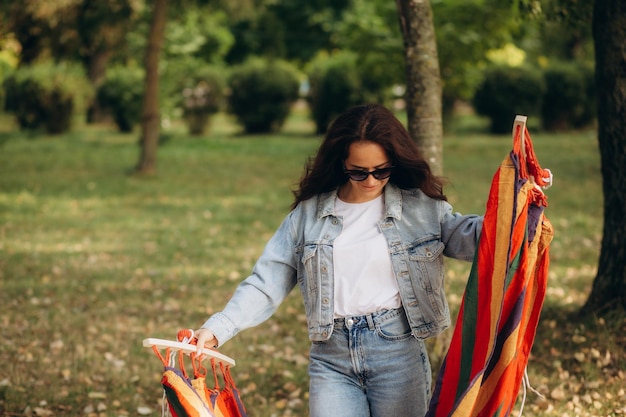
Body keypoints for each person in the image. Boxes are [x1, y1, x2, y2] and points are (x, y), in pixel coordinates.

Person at [193, 103, 483, 417]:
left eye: (381, 170)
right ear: (341, 163)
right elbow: (267, 281)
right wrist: (219, 328)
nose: (371, 180)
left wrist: (519, 206)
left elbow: (474, 238)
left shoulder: (420, 209)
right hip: (331, 358)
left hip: (397, 352)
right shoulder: (309, 215)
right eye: (358, 172)